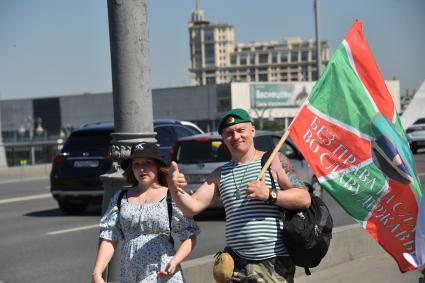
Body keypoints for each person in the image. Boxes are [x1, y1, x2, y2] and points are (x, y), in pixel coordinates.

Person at [169, 108, 311, 283]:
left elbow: (304, 198)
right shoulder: (220, 174)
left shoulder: (272, 160)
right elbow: (192, 207)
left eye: (240, 130)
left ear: (252, 131)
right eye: (229, 133)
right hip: (236, 265)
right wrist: (175, 188)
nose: (236, 137)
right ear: (223, 138)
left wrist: (268, 194)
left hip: (273, 261)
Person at [92, 142, 200, 283]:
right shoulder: (120, 197)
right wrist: (97, 273)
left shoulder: (170, 196)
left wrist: (174, 261)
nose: (141, 169)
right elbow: (109, 236)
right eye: (136, 164)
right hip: (130, 275)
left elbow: (189, 235)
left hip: (163, 273)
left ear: (157, 166)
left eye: (147, 163)